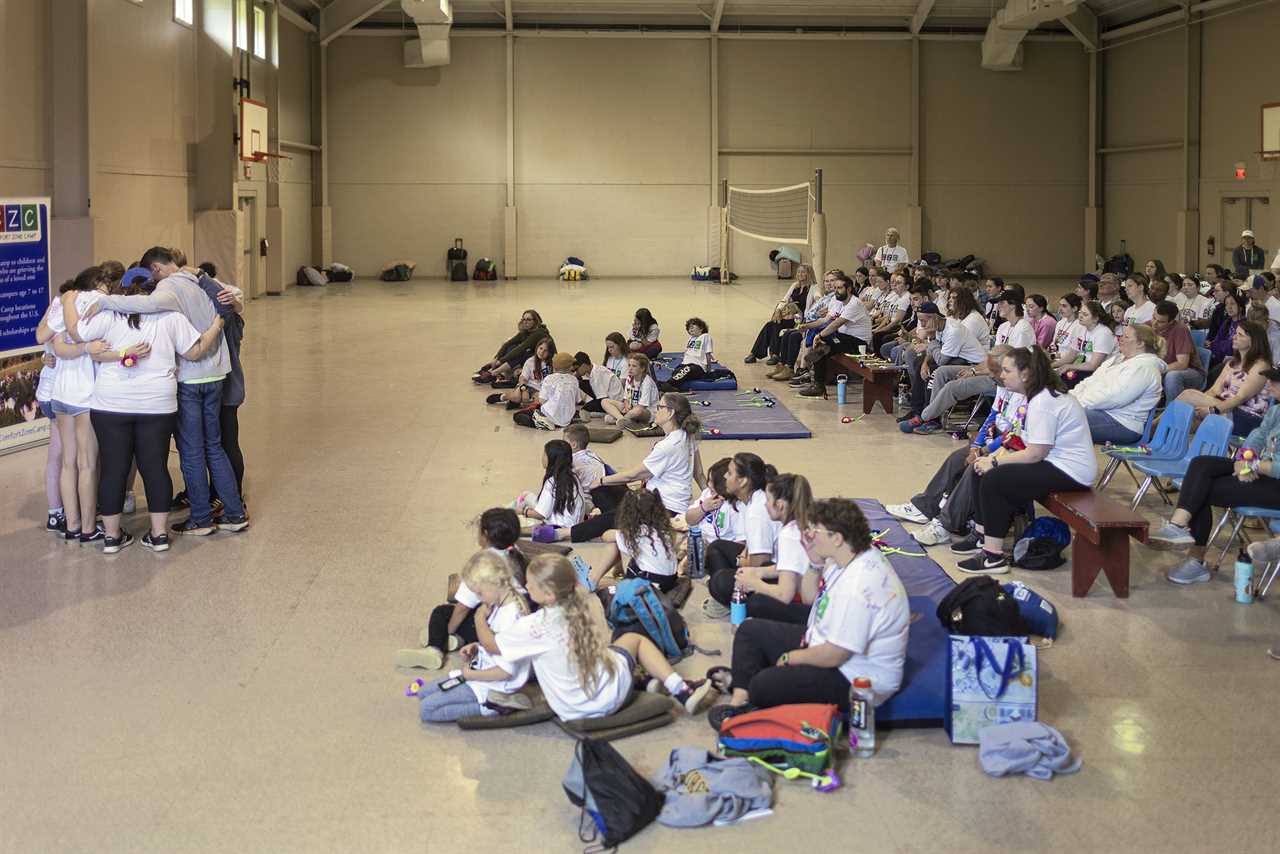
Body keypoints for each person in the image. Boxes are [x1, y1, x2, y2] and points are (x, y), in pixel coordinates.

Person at [82, 247, 248, 536]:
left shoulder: (166, 298)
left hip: (184, 383)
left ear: (155, 271)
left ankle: (201, 518)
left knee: (191, 452)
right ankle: (234, 514)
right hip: (217, 377)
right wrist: (219, 316)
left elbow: (88, 331)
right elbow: (235, 299)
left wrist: (107, 301)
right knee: (216, 446)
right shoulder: (202, 282)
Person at [704, 498, 909, 727]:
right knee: (749, 630)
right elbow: (812, 599)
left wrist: (789, 658)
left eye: (815, 532)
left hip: (855, 676)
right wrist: (814, 562)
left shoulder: (859, 585)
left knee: (764, 684)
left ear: (837, 538)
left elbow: (835, 655)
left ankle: (751, 694)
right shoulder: (845, 556)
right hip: (821, 639)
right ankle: (740, 701)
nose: (809, 536)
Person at [495, 554, 717, 719]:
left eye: (530, 584)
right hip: (606, 696)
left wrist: (480, 617)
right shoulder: (584, 607)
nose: (525, 586)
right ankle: (678, 688)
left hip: (571, 709)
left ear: (549, 595)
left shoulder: (531, 626)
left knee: (625, 642)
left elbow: (495, 645)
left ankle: (658, 684)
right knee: (632, 639)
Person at [955, 347, 1097, 574]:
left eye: (1007, 370)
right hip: (1053, 462)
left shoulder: (1044, 400)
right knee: (978, 468)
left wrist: (995, 463)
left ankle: (993, 557)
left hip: (1071, 471)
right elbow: (1022, 441)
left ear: (1025, 374)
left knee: (994, 479)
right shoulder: (1034, 396)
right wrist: (989, 456)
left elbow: (1035, 453)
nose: (1002, 375)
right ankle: (982, 536)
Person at [1149, 369, 1280, 584]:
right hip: (1260, 472)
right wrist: (1247, 461)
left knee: (1202, 489)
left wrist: (1255, 466)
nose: (1269, 383)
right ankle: (1177, 526)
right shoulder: (1276, 412)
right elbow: (1257, 437)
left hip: (1275, 483)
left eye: (1276, 380)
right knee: (1201, 465)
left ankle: (1196, 561)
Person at [887, 346, 1021, 546]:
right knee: (956, 459)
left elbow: (1014, 434)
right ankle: (925, 507)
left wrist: (983, 451)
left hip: (1015, 449)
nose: (993, 376)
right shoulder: (1003, 385)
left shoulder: (1023, 394)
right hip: (997, 442)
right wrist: (976, 445)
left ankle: (945, 525)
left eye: (996, 372)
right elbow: (991, 419)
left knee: (974, 468)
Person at [396, 508, 528, 671]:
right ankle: (457, 640)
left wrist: (448, 631)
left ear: (485, 534)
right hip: (517, 620)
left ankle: (435, 649)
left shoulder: (483, 565)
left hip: (493, 630)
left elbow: (462, 608)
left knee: (441, 613)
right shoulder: (515, 553)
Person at [413, 550, 534, 722]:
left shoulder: (510, 618)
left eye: (479, 593)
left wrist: (470, 675)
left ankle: (493, 707)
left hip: (494, 686)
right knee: (423, 693)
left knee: (427, 709)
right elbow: (494, 642)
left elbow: (506, 672)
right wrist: (477, 646)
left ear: (495, 583)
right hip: (480, 670)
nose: (478, 598)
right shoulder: (496, 603)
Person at [41, 266, 109, 543]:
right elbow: (81, 345)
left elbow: (49, 341)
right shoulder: (95, 308)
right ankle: (89, 528)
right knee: (87, 465)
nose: (107, 290)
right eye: (104, 285)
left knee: (68, 464)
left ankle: (72, 525)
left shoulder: (61, 307)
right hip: (85, 396)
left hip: (60, 394)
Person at [596, 393, 705, 516]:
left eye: (659, 407)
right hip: (667, 504)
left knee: (601, 488)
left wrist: (601, 481)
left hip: (662, 508)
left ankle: (572, 530)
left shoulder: (668, 445)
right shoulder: (687, 435)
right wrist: (709, 496)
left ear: (670, 413)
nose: (656, 411)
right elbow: (699, 473)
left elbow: (633, 475)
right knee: (610, 481)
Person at [195, 262, 248, 511]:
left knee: (224, 444)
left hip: (225, 389)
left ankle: (232, 496)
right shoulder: (225, 314)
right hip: (224, 388)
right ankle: (218, 493)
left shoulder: (226, 319)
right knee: (216, 444)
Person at [733, 473, 816, 624]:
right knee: (764, 568)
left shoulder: (789, 534)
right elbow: (790, 565)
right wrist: (757, 572)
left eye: (768, 500)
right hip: (811, 594)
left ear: (780, 505)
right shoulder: (803, 522)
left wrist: (754, 583)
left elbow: (785, 595)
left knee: (756, 603)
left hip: (812, 610)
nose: (764, 505)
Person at [703, 453, 780, 617]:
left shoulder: (756, 512)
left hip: (775, 574)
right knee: (717, 547)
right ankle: (730, 598)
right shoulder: (752, 499)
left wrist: (740, 562)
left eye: (730, 473)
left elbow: (760, 564)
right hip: (768, 565)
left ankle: (738, 600)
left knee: (719, 582)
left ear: (743, 481)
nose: (725, 476)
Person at [1070, 324, 1165, 446]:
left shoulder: (1145, 368)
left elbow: (1114, 398)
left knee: (1058, 418)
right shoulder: (1117, 359)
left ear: (1140, 343)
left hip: (1122, 424)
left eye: (1126, 337)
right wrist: (1070, 397)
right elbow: (1089, 382)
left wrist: (1077, 403)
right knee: (1052, 412)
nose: (1120, 339)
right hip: (1099, 412)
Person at [1173, 320, 1272, 435]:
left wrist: (1211, 410)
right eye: (1235, 333)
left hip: (1246, 418)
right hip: (1225, 409)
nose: (1234, 337)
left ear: (1253, 342)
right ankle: (1160, 439)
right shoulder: (1232, 363)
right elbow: (1214, 390)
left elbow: (1240, 398)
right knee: (1189, 419)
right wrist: (1198, 409)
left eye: (1240, 335)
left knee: (1188, 395)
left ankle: (1151, 430)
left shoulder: (1261, 366)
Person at [584, 489, 679, 593]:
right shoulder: (664, 529)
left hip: (649, 583)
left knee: (614, 544)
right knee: (626, 546)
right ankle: (616, 574)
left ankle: (593, 579)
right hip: (670, 580)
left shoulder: (637, 532)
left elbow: (606, 536)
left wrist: (620, 531)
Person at [797, 274, 872, 398]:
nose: (836, 291)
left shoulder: (854, 304)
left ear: (848, 289)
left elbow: (836, 324)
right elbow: (824, 320)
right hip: (843, 338)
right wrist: (807, 326)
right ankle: (817, 381)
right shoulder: (838, 301)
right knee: (823, 343)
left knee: (823, 341)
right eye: (835, 288)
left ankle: (818, 383)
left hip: (859, 343)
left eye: (839, 288)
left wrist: (819, 335)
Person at [768, 270, 840, 383]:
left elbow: (826, 318)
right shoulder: (826, 297)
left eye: (832, 281)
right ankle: (783, 365)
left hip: (817, 328)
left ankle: (792, 369)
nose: (828, 283)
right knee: (786, 333)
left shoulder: (835, 298)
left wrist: (806, 326)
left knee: (793, 336)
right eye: (826, 281)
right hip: (807, 324)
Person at [745, 264, 814, 364]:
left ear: (809, 274)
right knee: (772, 323)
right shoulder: (795, 286)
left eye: (803, 272)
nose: (800, 274)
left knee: (775, 324)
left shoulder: (812, 288)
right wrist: (778, 310)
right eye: (799, 272)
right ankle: (760, 354)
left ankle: (769, 354)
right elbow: (784, 300)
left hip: (801, 319)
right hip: (791, 316)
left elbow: (817, 298)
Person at [519, 439, 587, 539]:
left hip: (559, 527)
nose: (542, 457)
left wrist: (522, 512)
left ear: (551, 459)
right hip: (573, 524)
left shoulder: (552, 482)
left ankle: (510, 510)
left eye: (544, 454)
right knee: (526, 495)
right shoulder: (572, 476)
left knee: (521, 514)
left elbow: (541, 514)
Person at [684, 457, 746, 562]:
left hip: (716, 550)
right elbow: (689, 519)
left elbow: (741, 542)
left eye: (713, 482)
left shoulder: (736, 506)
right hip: (696, 539)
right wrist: (703, 508)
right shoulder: (707, 494)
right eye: (709, 480)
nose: (709, 485)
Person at [1051, 300, 1117, 386]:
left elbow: (1093, 365)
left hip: (1096, 373)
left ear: (1095, 319)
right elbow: (1071, 355)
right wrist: (1051, 366)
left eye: (1085, 314)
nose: (1080, 316)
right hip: (1079, 367)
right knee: (1050, 376)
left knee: (1059, 382)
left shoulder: (1103, 333)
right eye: (1080, 313)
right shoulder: (1080, 328)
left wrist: (1069, 366)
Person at [473, 310, 550, 383]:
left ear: (535, 321)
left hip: (545, 360)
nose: (525, 322)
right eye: (523, 319)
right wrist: (496, 358)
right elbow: (508, 344)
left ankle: (493, 373)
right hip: (534, 358)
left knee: (521, 353)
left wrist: (500, 361)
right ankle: (492, 369)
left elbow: (522, 348)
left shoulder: (539, 333)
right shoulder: (526, 331)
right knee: (511, 346)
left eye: (528, 320)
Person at [1151, 300, 1206, 400]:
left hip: (1189, 372)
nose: (1154, 323)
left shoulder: (1180, 330)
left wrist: (1156, 370)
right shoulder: (1146, 326)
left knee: (1172, 376)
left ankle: (1173, 412)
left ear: (1171, 321)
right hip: (1159, 370)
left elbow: (1182, 364)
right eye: (1154, 317)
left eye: (1160, 322)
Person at [512, 351, 581, 430]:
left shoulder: (549, 378)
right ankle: (557, 421)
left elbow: (542, 401)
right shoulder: (574, 380)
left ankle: (543, 422)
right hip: (567, 419)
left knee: (517, 416)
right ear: (570, 367)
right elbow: (577, 401)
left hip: (549, 415)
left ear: (554, 366)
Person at [662, 318, 730, 391]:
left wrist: (708, 370)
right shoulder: (691, 339)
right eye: (688, 328)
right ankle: (671, 386)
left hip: (697, 367)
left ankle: (668, 384)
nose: (690, 330)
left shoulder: (705, 336)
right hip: (685, 365)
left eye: (692, 327)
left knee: (688, 369)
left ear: (701, 328)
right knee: (677, 371)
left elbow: (707, 353)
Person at [488, 336, 554, 407]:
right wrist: (524, 389)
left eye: (545, 350)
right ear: (537, 347)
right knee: (517, 397)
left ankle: (519, 403)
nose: (541, 352)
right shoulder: (530, 361)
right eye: (540, 348)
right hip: (527, 385)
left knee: (539, 402)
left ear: (550, 353)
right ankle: (503, 397)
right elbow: (523, 378)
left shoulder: (553, 363)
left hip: (540, 390)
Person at [601, 353, 658, 426]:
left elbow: (642, 406)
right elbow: (626, 398)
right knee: (604, 402)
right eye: (629, 365)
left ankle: (623, 419)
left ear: (642, 368)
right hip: (631, 408)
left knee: (638, 411)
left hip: (646, 412)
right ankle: (622, 419)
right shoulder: (629, 378)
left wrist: (629, 412)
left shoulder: (647, 382)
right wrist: (626, 405)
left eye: (634, 366)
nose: (630, 368)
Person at [1050, 294, 1083, 359]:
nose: (1060, 309)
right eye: (1060, 305)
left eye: (1064, 306)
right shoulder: (1060, 323)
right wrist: (1049, 353)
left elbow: (1075, 353)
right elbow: (1054, 343)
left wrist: (1052, 356)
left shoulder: (1080, 326)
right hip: (1056, 357)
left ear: (1074, 308)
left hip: (1068, 360)